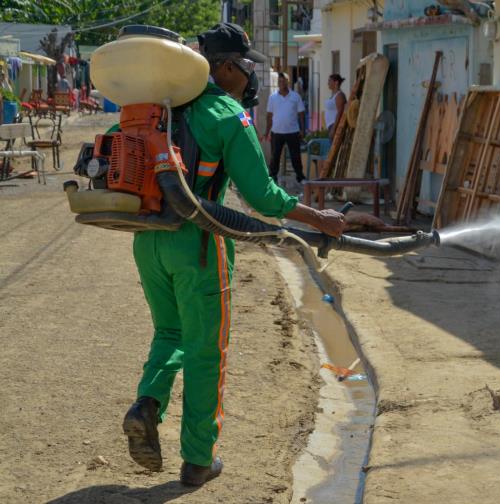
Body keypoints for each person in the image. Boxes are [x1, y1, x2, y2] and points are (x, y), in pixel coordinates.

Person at [121, 22, 345, 487]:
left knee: (169, 332)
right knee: (207, 350)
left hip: (148, 240)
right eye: (246, 66)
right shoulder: (224, 113)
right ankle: (199, 459)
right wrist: (318, 219)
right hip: (199, 243)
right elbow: (263, 197)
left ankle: (147, 403)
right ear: (223, 68)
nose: (251, 76)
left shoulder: (153, 109)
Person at [265, 72, 306, 186]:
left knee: (295, 156)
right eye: (279, 81)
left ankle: (300, 177)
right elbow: (269, 116)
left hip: (292, 132)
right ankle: (273, 178)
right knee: (275, 157)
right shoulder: (272, 97)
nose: (281, 83)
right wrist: (267, 132)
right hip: (276, 132)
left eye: (283, 81)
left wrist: (303, 130)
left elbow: (301, 114)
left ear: (288, 82)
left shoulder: (295, 96)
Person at [325, 73, 346, 140]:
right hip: (330, 125)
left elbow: (340, 112)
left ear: (336, 82)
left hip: (335, 125)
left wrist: (334, 129)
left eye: (330, 81)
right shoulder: (334, 95)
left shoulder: (339, 95)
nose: (328, 83)